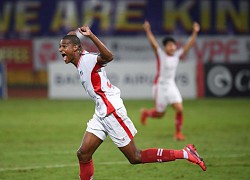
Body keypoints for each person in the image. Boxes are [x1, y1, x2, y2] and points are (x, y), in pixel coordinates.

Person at [59, 25, 206, 180]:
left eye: (64, 46)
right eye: (60, 46)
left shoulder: (87, 60)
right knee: (83, 154)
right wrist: (77, 33)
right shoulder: (80, 55)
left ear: (76, 48)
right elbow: (71, 37)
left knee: (135, 157)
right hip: (101, 111)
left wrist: (91, 36)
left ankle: (185, 153)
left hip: (111, 111)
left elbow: (108, 57)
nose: (60, 49)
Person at [141, 21, 200, 141]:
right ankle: (146, 113)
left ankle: (178, 133)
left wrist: (195, 32)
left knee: (179, 108)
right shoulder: (161, 54)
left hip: (171, 85)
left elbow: (189, 45)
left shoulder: (177, 55)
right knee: (160, 114)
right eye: (169, 45)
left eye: (174, 45)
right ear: (165, 47)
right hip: (160, 86)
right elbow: (153, 43)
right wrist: (148, 30)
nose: (172, 47)